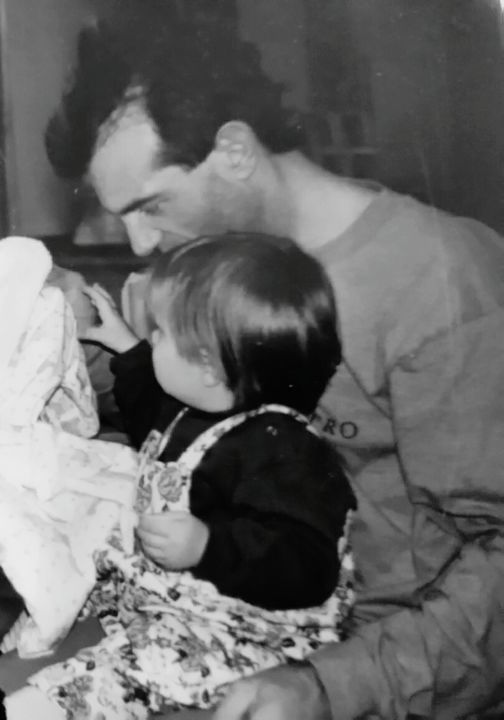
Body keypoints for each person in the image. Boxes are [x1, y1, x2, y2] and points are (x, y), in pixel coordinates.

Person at [28, 12, 504, 720]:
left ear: (236, 151)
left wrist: (327, 688)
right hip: (227, 638)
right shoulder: (206, 275)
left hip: (381, 684)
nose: (140, 239)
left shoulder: (440, 282)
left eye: (152, 204)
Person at [0, 234, 354, 719]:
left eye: (160, 333)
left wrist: (210, 544)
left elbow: (307, 565)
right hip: (170, 593)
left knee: (135, 668)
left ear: (206, 366)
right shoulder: (194, 410)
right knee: (72, 580)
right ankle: (4, 663)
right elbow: (151, 419)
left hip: (240, 630)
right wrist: (125, 345)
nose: (152, 339)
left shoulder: (283, 448)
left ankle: (32, 710)